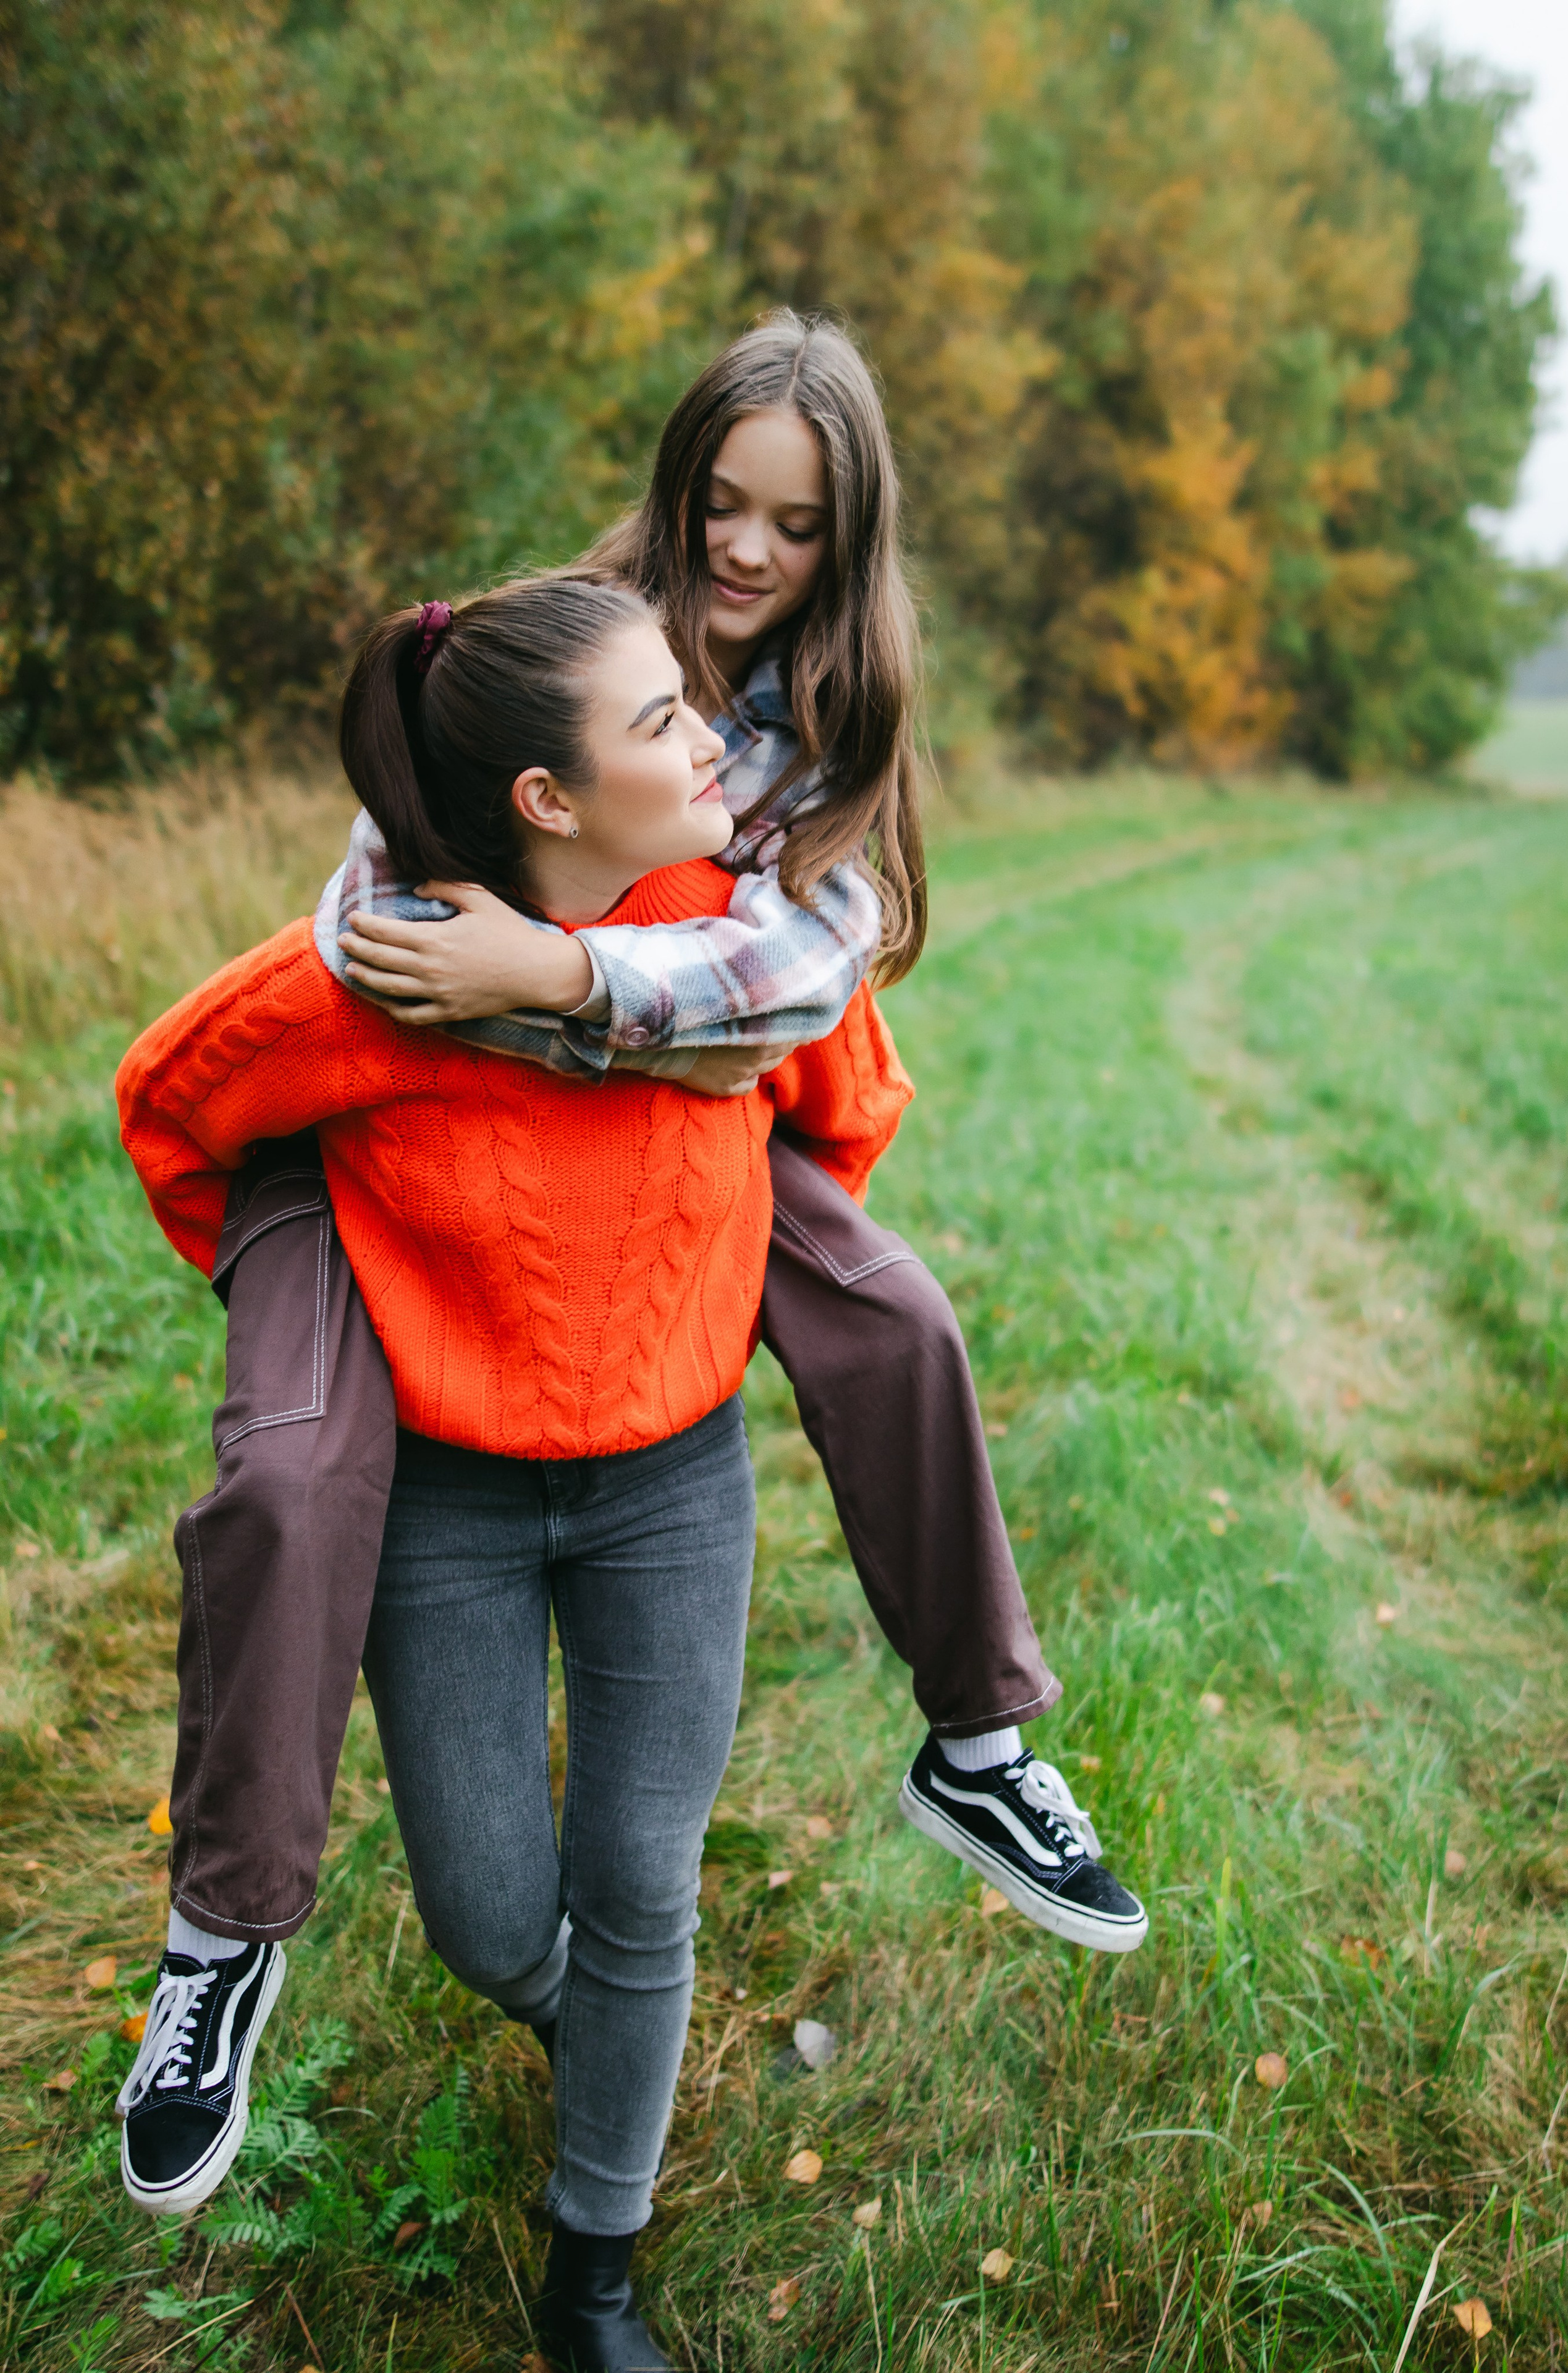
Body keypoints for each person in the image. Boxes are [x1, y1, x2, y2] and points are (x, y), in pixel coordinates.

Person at [113, 312, 1146, 2223]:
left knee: (891, 1310)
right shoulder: (561, 646)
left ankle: (979, 1741)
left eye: (798, 527)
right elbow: (389, 913)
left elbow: (799, 989)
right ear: (676, 489)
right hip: (449, 1130)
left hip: (707, 1125)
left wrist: (573, 977)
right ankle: (227, 1936)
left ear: (854, 543)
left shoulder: (830, 736)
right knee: (287, 1467)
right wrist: (537, 980)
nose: (747, 556)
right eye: (721, 506)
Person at [118, 577, 913, 2367]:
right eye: (660, 722)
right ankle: (608, 2025)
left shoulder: (736, 943)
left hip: (673, 1485)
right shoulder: (386, 969)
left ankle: (594, 2270)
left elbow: (847, 1096)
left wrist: (732, 1256)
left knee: (643, 1878)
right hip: (450, 1505)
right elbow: (171, 1110)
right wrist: (305, 1284)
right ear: (547, 800)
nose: (715, 737)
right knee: (491, 1921)